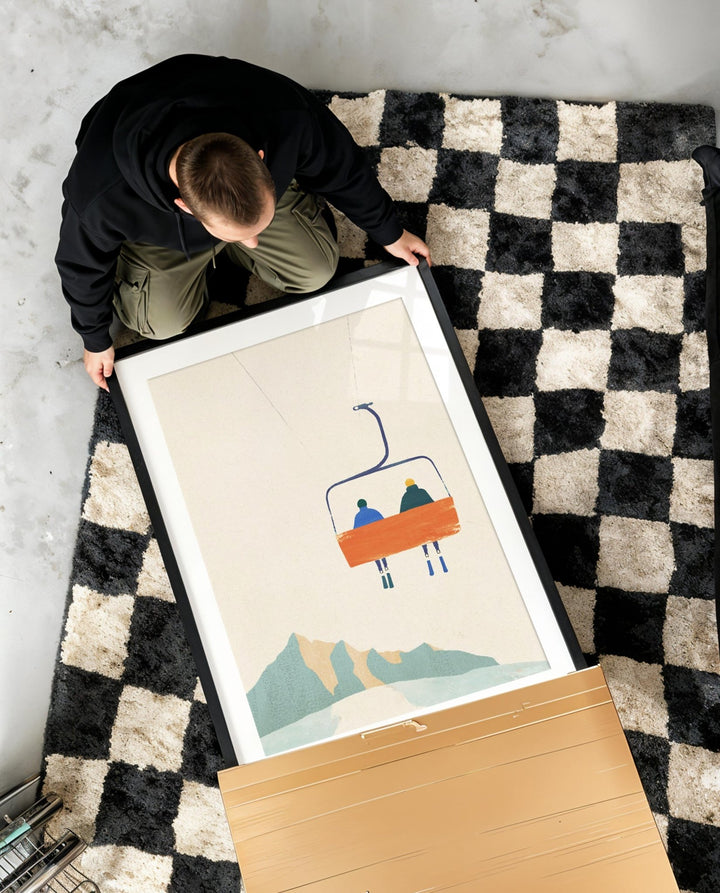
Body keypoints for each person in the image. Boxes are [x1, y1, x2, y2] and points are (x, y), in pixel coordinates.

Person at [55, 54, 432, 390]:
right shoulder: (100, 195)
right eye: (240, 237)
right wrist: (94, 338)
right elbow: (80, 264)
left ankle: (248, 221)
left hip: (236, 173)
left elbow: (342, 167)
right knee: (161, 325)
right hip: (157, 237)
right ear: (185, 207)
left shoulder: (284, 112)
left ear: (262, 158)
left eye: (256, 230)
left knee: (316, 271)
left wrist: (389, 231)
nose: (253, 243)